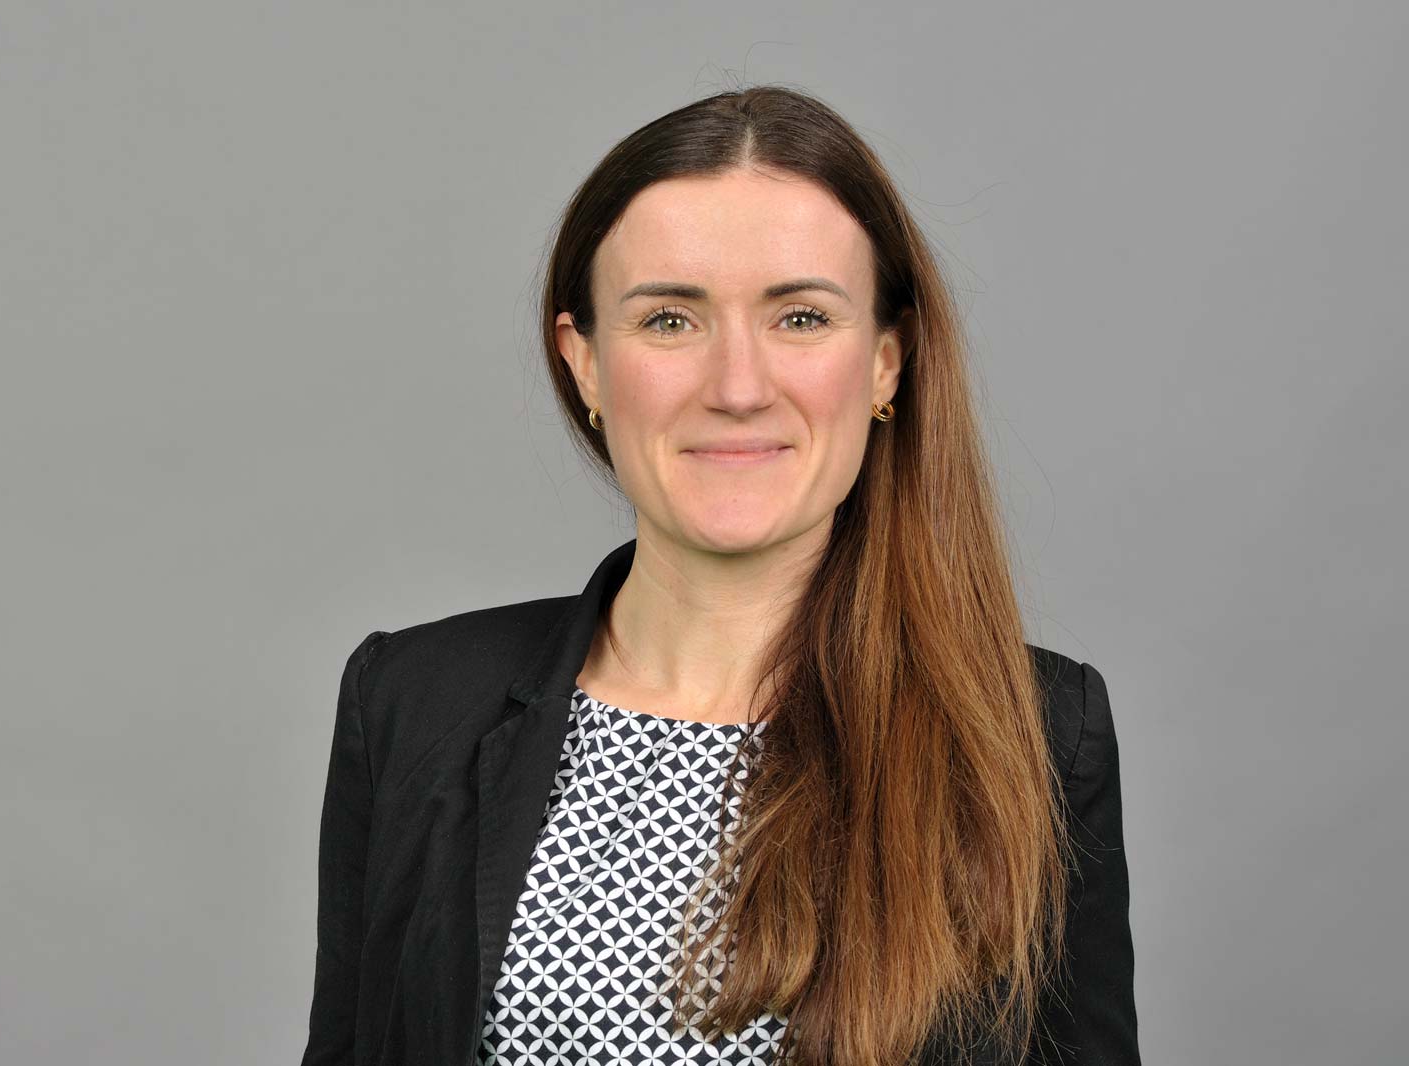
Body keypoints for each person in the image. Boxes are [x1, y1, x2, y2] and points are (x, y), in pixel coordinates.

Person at [299, 85, 1139, 1066]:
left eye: (799, 318)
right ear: (583, 363)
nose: (737, 386)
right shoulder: (410, 699)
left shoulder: (1037, 733)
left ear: (883, 362)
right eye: (668, 320)